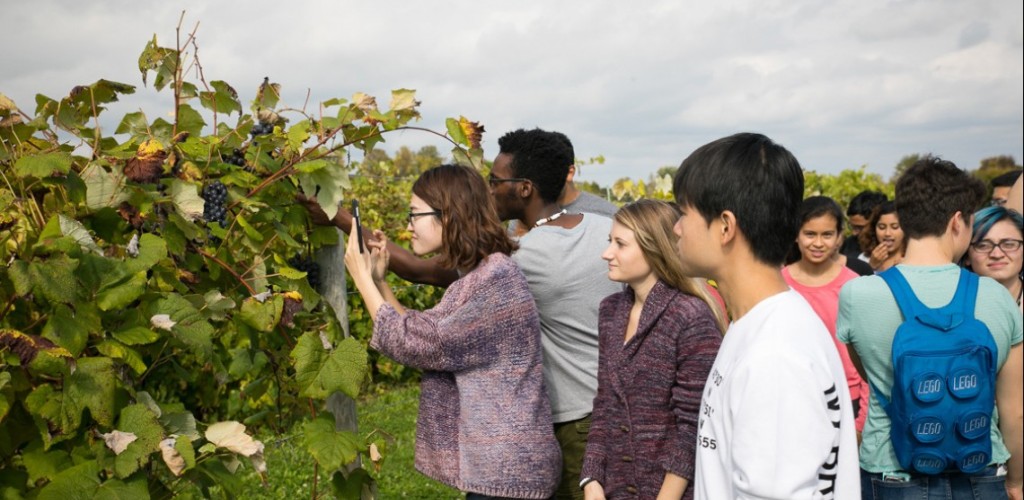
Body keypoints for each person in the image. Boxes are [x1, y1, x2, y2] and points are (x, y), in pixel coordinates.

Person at [344, 164, 561, 499]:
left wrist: (360, 278)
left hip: (507, 472)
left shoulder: (495, 282)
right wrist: (380, 282)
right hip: (502, 466)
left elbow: (416, 343)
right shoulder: (483, 274)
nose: (408, 225)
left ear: (448, 214)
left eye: (415, 214)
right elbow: (427, 338)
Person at [672, 132, 860, 499]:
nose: (676, 228)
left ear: (725, 226)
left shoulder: (774, 354)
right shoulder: (763, 323)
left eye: (683, 213)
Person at [837, 155, 1023, 499]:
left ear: (905, 218)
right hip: (980, 467)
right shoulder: (995, 296)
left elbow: (869, 373)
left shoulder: (857, 294)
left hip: (893, 472)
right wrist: (1016, 482)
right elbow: (1015, 410)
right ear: (957, 221)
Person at [489, 128, 622, 500]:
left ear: (525, 188)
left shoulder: (523, 254)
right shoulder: (605, 228)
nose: (490, 190)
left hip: (574, 420)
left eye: (495, 182)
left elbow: (433, 274)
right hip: (615, 403)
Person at [580, 199, 724, 500]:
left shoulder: (689, 316)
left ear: (654, 247)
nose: (607, 253)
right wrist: (591, 477)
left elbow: (693, 424)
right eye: (610, 242)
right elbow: (606, 401)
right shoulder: (611, 310)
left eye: (621, 244)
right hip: (616, 489)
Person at [782, 196, 870, 433]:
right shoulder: (779, 283)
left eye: (827, 234)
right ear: (796, 234)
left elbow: (867, 354)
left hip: (846, 400)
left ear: (840, 237)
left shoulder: (854, 285)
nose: (818, 243)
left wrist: (860, 424)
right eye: (810, 234)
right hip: (792, 399)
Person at [962, 205, 1024, 312]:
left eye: (1008, 244)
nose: (997, 254)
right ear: (967, 255)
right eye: (983, 245)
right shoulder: (954, 304)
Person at [841, 190, 888, 275]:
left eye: (860, 227)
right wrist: (870, 267)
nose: (854, 233)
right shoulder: (847, 247)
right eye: (852, 226)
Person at [859, 200, 904, 272]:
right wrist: (870, 267)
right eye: (882, 227)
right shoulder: (864, 258)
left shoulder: (914, 258)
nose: (887, 233)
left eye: (895, 227)